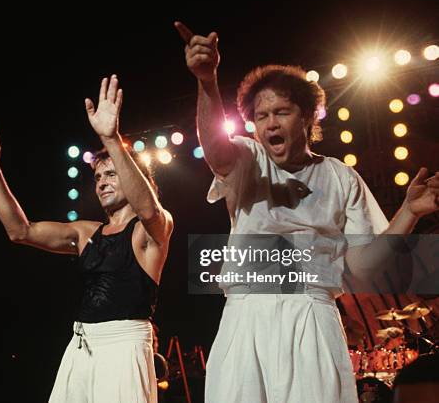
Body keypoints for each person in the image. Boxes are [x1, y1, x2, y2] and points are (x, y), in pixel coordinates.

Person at [175, 21, 439, 403]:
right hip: (247, 312)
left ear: (308, 118)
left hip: (313, 314)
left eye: (280, 112)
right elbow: (216, 150)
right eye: (261, 117)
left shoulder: (340, 176)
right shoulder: (248, 159)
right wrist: (206, 80)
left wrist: (409, 212)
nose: (269, 124)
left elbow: (364, 267)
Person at [0, 75, 173, 403]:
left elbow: (148, 208)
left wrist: (112, 139)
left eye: (111, 174)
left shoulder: (152, 229)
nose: (101, 182)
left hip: (124, 345)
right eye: (98, 176)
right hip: (81, 345)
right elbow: (21, 231)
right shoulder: (86, 232)